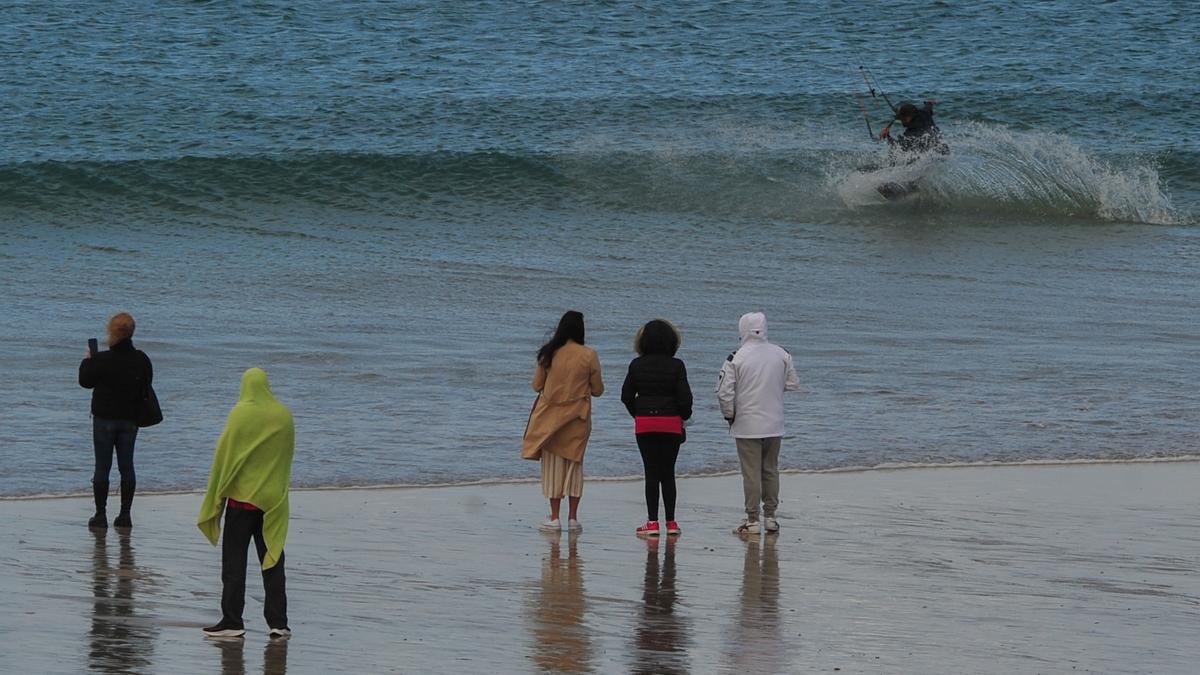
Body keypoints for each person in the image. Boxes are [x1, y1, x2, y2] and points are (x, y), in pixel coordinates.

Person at [197, 368, 294, 639]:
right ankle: (279, 623)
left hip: (241, 503)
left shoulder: (241, 413)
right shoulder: (284, 415)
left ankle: (232, 621)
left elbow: (225, 455)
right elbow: (286, 456)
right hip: (272, 502)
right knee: (273, 560)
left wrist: (217, 492)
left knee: (234, 564)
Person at [716, 312, 799, 535]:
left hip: (746, 424)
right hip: (775, 422)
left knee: (751, 473)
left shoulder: (736, 357)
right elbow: (792, 383)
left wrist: (729, 415)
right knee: (770, 469)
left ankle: (752, 519)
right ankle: (770, 517)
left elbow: (724, 393)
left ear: (742, 329)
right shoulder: (781, 354)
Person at [522, 311, 604, 532]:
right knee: (574, 466)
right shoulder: (589, 355)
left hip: (549, 417)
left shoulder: (548, 353)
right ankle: (573, 518)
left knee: (552, 467)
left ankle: (555, 518)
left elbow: (537, 385)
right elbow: (598, 390)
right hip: (578, 417)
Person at [79, 312, 153, 529]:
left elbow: (85, 381)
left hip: (104, 419)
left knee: (102, 466)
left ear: (111, 332)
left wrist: (87, 361)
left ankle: (100, 515)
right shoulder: (141, 359)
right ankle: (125, 515)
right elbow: (147, 381)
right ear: (132, 332)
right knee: (127, 466)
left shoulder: (101, 359)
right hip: (130, 420)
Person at [621, 319, 692, 537]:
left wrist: (639, 413)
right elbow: (685, 399)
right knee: (668, 473)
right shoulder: (677, 365)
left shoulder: (636, 365)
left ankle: (652, 523)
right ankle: (671, 523)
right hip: (671, 423)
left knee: (651, 473)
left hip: (645, 424)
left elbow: (626, 396)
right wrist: (683, 418)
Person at [879, 100, 948, 156]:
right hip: (943, 148)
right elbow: (928, 106)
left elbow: (898, 146)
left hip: (933, 155)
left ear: (909, 117)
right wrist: (930, 103)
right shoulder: (924, 112)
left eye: (903, 119)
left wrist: (887, 136)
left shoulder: (911, 133)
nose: (902, 121)